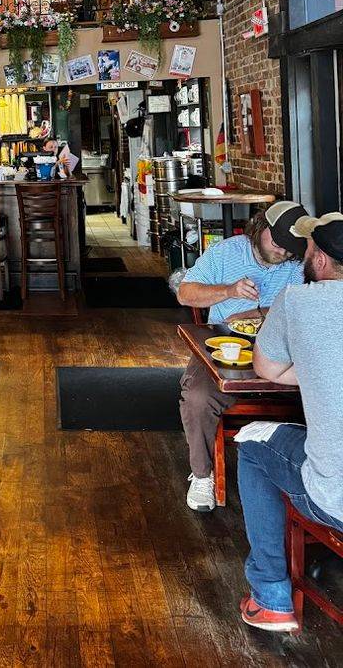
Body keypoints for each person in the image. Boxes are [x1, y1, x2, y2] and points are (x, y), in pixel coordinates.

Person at [235, 213, 343, 632]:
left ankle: (272, 597)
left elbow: (269, 370)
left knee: (252, 445)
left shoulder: (298, 300)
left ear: (318, 260)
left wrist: (320, 368)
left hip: (334, 498)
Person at [176, 201, 308, 512]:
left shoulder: (299, 263)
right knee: (197, 395)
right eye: (277, 244)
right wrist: (229, 291)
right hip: (225, 343)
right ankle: (202, 475)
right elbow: (186, 293)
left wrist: (263, 311)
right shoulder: (227, 252)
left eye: (290, 250)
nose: (282, 254)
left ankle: (314, 471)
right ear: (261, 228)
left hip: (282, 349)